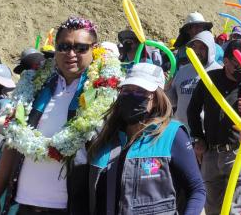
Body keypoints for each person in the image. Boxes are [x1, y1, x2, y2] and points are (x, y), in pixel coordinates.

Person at [0, 17, 105, 215]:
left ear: (95, 48)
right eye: (64, 46)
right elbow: (12, 144)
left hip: (70, 208)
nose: (71, 54)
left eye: (81, 48)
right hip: (24, 205)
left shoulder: (104, 92)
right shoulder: (35, 87)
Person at [87, 63, 205, 215]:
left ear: (156, 98)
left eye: (140, 92)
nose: (131, 96)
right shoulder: (105, 135)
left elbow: (196, 189)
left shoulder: (172, 134)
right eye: (127, 90)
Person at [188, 41, 241, 215]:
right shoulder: (210, 79)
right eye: (239, 64)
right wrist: (198, 138)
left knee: (234, 209)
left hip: (237, 154)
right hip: (211, 153)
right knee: (212, 208)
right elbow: (192, 109)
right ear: (225, 62)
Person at [167, 30, 222, 127]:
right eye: (194, 47)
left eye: (202, 48)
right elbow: (173, 102)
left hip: (205, 132)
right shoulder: (183, 70)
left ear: (210, 50)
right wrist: (167, 88)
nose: (196, 51)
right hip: (180, 130)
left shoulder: (219, 71)